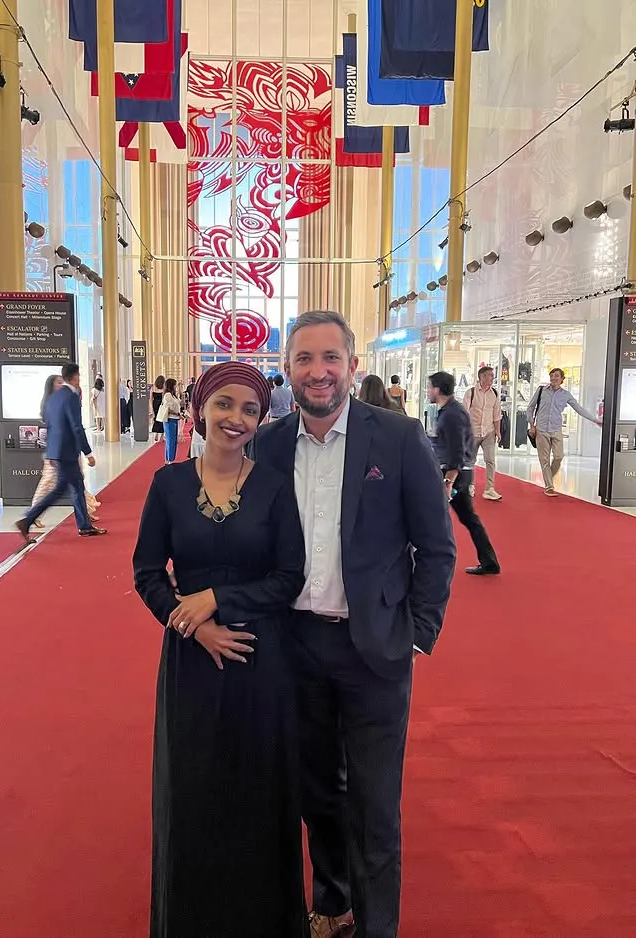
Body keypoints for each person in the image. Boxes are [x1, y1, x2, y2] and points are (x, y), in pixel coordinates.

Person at [253, 310, 456, 938]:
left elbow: (437, 546)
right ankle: (332, 899)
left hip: (374, 648)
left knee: (374, 803)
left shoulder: (397, 440)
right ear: (287, 369)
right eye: (305, 360)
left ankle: (378, 928)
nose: (318, 372)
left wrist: (416, 631)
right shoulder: (269, 443)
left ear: (352, 366)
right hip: (296, 647)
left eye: (330, 358)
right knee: (316, 791)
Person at [132, 362, 308, 938]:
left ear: (261, 420)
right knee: (194, 789)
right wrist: (193, 624)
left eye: (250, 409)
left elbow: (289, 578)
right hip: (190, 664)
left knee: (258, 790)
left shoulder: (274, 487)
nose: (235, 418)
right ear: (199, 410)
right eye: (224, 405)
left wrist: (216, 598)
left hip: (263, 659)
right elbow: (147, 573)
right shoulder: (169, 484)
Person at [16, 362, 107, 542]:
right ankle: (28, 519)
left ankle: (84, 525)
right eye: (78, 376)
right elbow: (76, 427)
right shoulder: (70, 397)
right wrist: (88, 453)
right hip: (67, 452)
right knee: (62, 489)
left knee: (76, 487)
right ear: (74, 377)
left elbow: (51, 425)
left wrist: (50, 452)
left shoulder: (54, 398)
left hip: (57, 451)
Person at [429, 371, 500, 577]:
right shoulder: (449, 412)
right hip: (455, 472)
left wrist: (448, 481)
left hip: (455, 475)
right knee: (466, 518)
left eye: (430, 387)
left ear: (438, 389)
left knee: (461, 517)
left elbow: (458, 451)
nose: (428, 391)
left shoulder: (452, 414)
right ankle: (488, 561)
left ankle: (483, 561)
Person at [31, 374, 101, 529]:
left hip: (69, 450)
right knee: (51, 484)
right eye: (58, 382)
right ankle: (32, 515)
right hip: (56, 453)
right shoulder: (51, 403)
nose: (61, 385)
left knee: (77, 483)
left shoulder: (65, 399)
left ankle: (86, 514)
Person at [527, 367, 602, 496]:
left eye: (556, 376)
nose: (553, 378)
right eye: (552, 376)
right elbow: (530, 408)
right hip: (541, 429)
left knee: (558, 456)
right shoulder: (541, 391)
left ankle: (548, 478)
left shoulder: (566, 395)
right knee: (544, 459)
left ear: (562, 379)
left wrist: (595, 420)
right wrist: (532, 425)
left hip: (556, 429)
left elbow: (579, 409)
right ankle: (549, 486)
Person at [465, 366, 503, 501]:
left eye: (492, 376)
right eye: (488, 375)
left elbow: (497, 414)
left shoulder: (495, 394)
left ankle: (490, 489)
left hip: (489, 431)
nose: (491, 378)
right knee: (470, 460)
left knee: (490, 460)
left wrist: (498, 431)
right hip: (473, 432)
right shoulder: (471, 392)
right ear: (481, 377)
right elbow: (464, 413)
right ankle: (470, 485)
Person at [159, 378, 183, 464]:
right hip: (169, 419)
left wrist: (181, 392)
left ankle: (168, 459)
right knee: (171, 441)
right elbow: (167, 409)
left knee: (172, 441)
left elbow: (181, 403)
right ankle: (170, 460)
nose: (176, 386)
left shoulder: (173, 395)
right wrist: (177, 414)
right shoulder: (167, 395)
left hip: (175, 419)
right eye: (175, 385)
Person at [151, 375, 166, 443]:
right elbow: (163, 399)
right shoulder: (163, 389)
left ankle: (156, 434)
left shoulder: (153, 388)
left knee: (156, 418)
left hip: (155, 404)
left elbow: (150, 399)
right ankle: (161, 437)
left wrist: (151, 407)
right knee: (162, 419)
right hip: (161, 405)